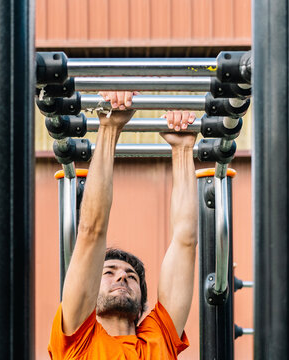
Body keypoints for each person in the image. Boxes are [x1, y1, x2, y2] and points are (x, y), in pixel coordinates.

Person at [48, 91, 198, 359]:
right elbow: (91, 232)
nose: (122, 277)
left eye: (131, 277)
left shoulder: (159, 339)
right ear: (90, 293)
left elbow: (185, 240)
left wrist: (184, 149)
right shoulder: (76, 340)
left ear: (142, 303)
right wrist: (109, 127)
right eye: (109, 273)